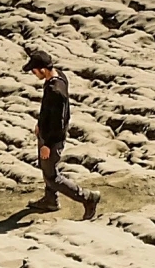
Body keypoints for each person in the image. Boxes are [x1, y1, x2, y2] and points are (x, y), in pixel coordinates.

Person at [24, 49, 101, 219]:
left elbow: (57, 123)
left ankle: (87, 197)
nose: (33, 73)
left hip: (52, 139)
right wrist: (40, 125)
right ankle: (50, 200)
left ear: (42, 69)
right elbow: (51, 113)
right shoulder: (59, 76)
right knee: (48, 170)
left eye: (34, 70)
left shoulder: (55, 90)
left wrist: (47, 145)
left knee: (52, 177)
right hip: (49, 134)